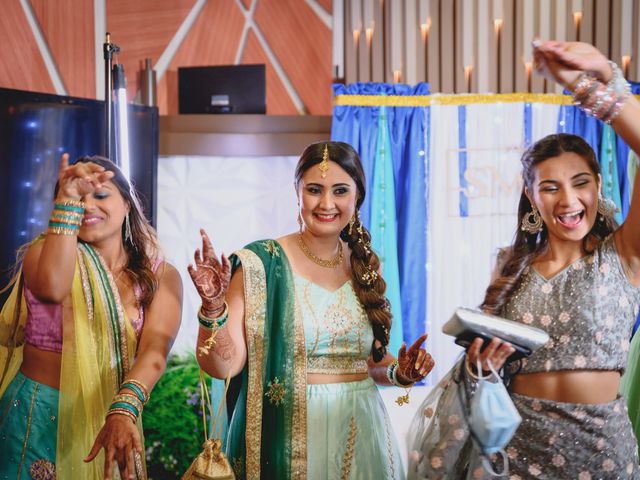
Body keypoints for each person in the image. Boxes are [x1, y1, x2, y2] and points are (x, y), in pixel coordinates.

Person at [411, 40, 640, 479]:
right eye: (550, 187)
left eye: (580, 183)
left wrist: (597, 82)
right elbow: (486, 378)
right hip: (516, 456)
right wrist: (482, 369)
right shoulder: (510, 267)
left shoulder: (624, 254)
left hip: (603, 455)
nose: (569, 200)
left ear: (598, 185)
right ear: (531, 197)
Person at [188, 141, 435, 479]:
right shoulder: (261, 264)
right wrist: (213, 309)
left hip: (361, 429)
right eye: (314, 190)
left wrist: (399, 373)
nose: (327, 203)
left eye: (340, 191)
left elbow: (367, 363)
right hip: (286, 435)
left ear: (357, 197)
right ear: (297, 193)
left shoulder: (365, 266)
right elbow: (223, 366)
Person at [0, 155, 183, 479]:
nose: (88, 205)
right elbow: (54, 288)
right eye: (76, 196)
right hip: (38, 415)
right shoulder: (43, 253)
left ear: (127, 204)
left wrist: (124, 409)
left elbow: (155, 348)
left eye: (100, 194)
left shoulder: (160, 276)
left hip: (110, 414)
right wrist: (66, 202)